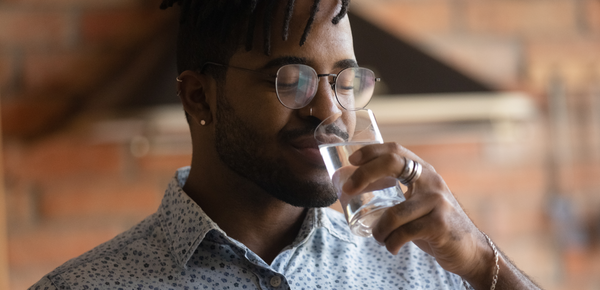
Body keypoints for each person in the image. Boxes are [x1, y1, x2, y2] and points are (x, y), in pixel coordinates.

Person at [30, 1, 542, 289]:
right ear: (198, 97)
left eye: (343, 81)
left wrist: (477, 258)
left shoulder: (415, 267)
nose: (328, 112)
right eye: (289, 81)